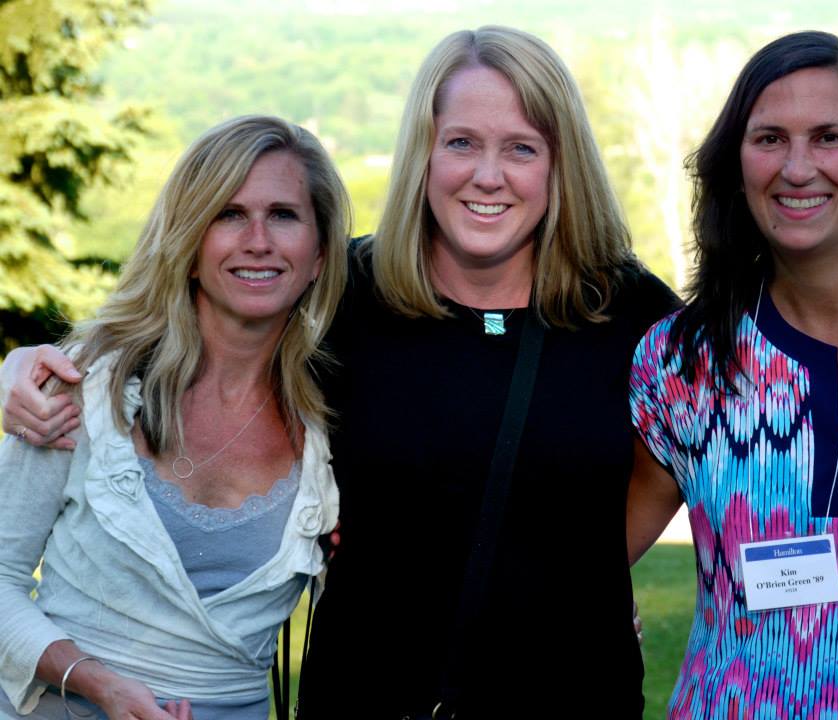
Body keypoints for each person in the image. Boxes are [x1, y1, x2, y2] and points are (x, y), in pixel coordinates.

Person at [1, 27, 679, 717]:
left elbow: (698, 450)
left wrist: (578, 577)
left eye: (522, 148)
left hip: (570, 692)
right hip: (368, 692)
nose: (488, 174)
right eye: (462, 143)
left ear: (562, 164)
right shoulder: (350, 295)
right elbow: (193, 332)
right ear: (424, 151)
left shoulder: (626, 311)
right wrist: (20, 369)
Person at [627, 30, 838, 718]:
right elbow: (571, 555)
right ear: (738, 164)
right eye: (770, 138)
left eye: (829, 137)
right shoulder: (682, 361)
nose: (798, 167)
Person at [0, 115, 346, 719]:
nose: (258, 240)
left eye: (284, 215)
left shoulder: (338, 418)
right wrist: (96, 682)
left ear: (318, 254)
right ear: (189, 246)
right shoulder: (88, 384)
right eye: (228, 214)